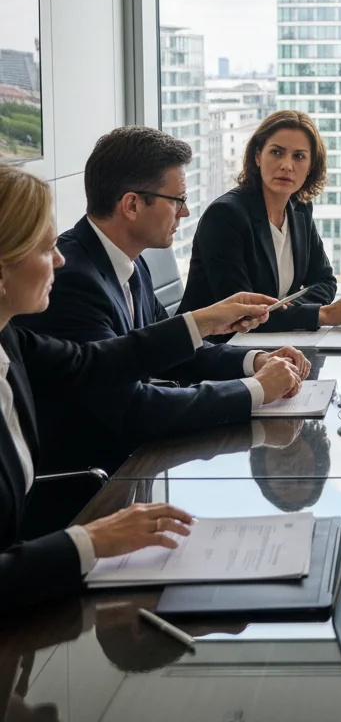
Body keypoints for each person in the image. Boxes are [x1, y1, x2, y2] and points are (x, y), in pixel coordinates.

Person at [0, 166, 301, 612]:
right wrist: (88, 541)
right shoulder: (76, 281)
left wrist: (206, 322)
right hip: (47, 552)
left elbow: (98, 361)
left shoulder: (11, 339)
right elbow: (127, 402)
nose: (59, 260)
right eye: (46, 249)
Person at [19, 126, 311, 476]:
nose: (184, 213)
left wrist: (255, 361)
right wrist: (254, 390)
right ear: (132, 205)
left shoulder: (132, 261)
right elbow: (133, 409)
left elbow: (166, 351)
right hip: (97, 481)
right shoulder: (72, 281)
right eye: (177, 200)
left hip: (138, 464)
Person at [179, 110, 341, 334]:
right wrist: (322, 314)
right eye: (276, 152)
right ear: (257, 156)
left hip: (275, 340)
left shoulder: (300, 209)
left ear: (311, 166)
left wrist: (282, 312)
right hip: (217, 346)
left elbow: (325, 281)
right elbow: (241, 315)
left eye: (299, 156)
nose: (286, 165)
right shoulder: (225, 215)